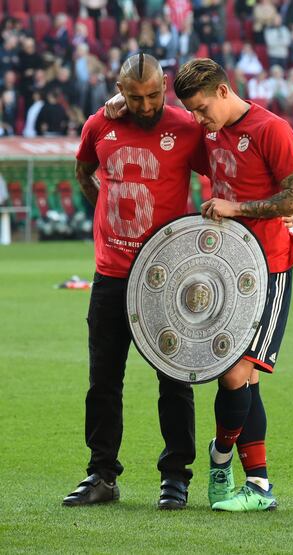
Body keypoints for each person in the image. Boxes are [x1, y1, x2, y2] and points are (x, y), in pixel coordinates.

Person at [62, 53, 209, 509]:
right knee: (103, 380)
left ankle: (175, 477)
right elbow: (84, 171)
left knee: (174, 379)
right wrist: (103, 213)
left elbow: (220, 171)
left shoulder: (187, 128)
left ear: (165, 86)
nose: (144, 106)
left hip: (167, 278)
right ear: (118, 90)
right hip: (110, 276)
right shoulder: (97, 125)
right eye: (133, 96)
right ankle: (102, 475)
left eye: (152, 95)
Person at [173, 58, 293, 512]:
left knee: (236, 374)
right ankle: (259, 486)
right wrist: (117, 102)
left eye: (201, 107)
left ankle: (219, 458)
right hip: (225, 270)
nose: (197, 118)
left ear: (224, 92)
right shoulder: (209, 132)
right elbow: (167, 133)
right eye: (191, 110)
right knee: (241, 378)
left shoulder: (272, 129)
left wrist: (239, 208)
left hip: (268, 268)